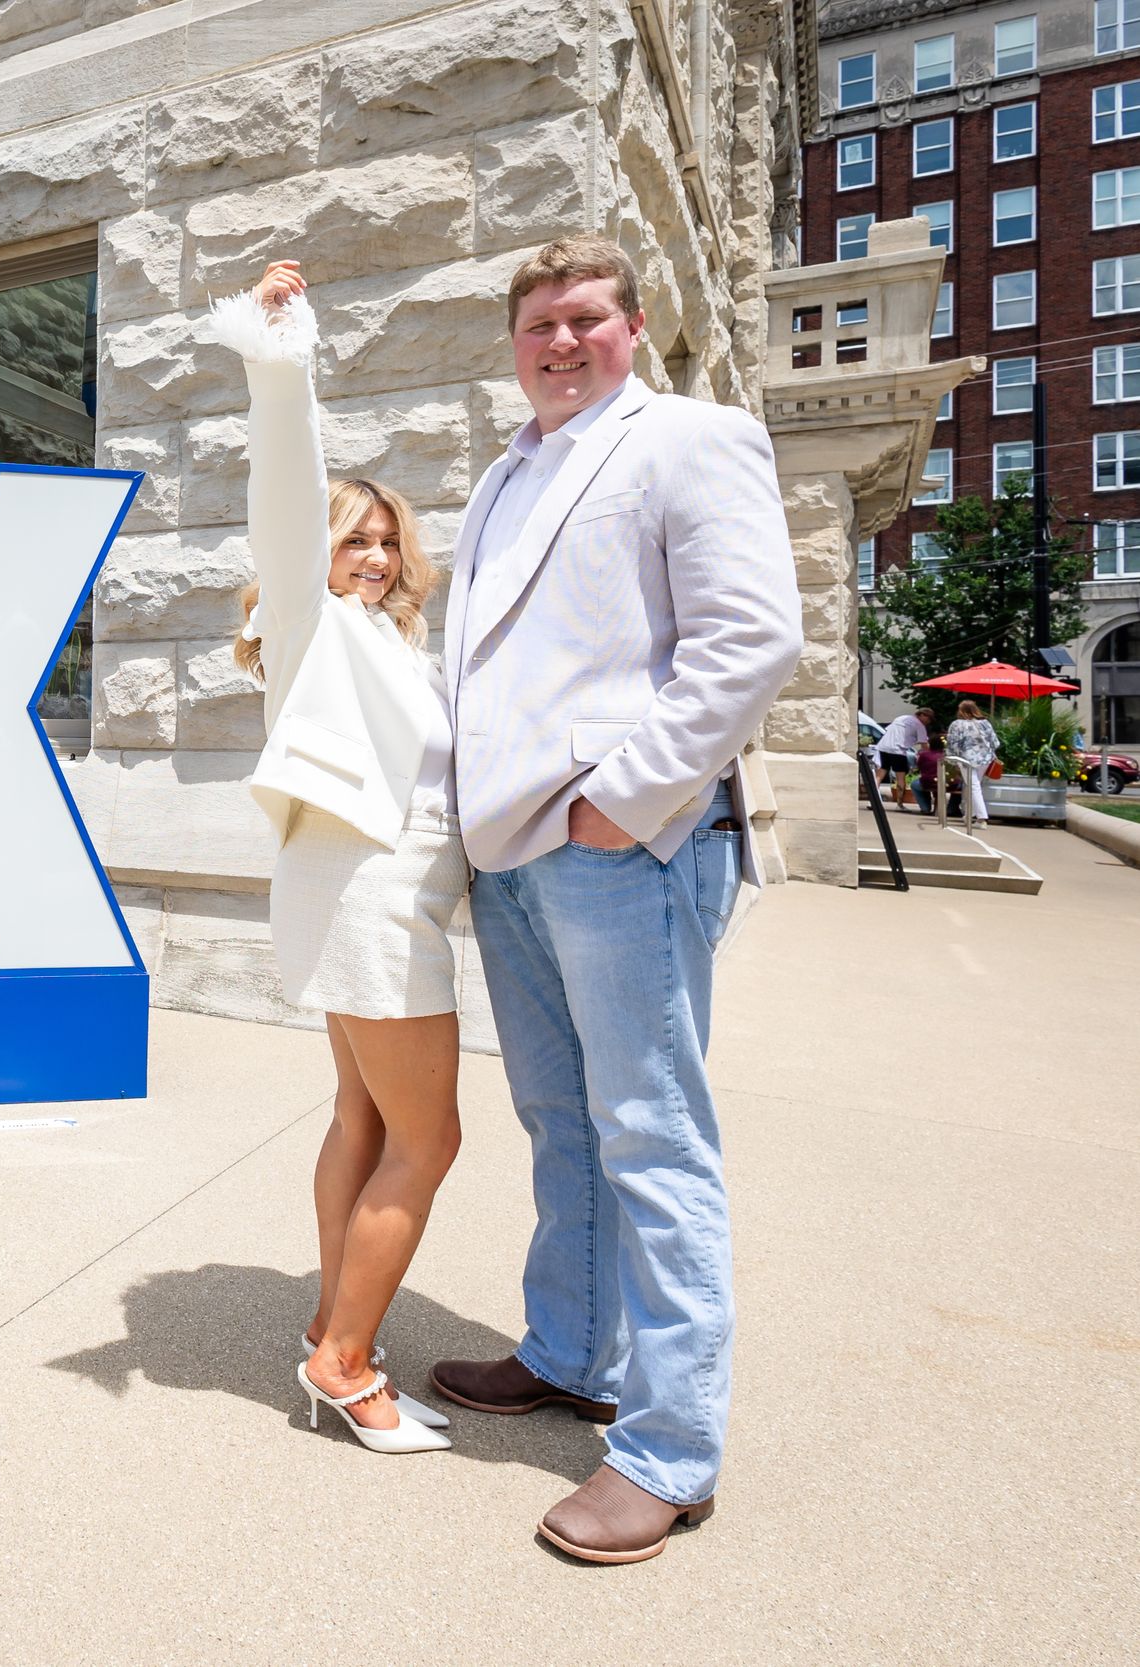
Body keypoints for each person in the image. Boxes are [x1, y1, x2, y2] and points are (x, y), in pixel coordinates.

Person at [427, 237, 801, 1562]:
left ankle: (670, 1447)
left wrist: (622, 802)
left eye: (585, 316)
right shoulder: (506, 472)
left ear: (632, 328)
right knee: (560, 1117)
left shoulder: (690, 441)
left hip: (617, 845)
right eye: (538, 322)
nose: (560, 339)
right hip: (512, 853)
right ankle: (574, 1349)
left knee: (652, 1132)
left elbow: (752, 636)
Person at [202, 259, 466, 1456]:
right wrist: (282, 359)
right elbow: (283, 490)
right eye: (349, 538)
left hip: (355, 891)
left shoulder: (386, 643)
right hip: (372, 898)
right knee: (430, 1138)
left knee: (363, 1121)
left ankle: (329, 1315)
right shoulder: (312, 626)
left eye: (381, 539)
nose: (366, 553)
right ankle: (345, 1360)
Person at [946, 699, 1000, 827]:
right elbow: (995, 742)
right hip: (985, 759)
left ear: (962, 711)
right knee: (974, 786)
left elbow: (953, 743)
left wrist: (951, 758)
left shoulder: (957, 724)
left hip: (966, 759)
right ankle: (970, 815)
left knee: (973, 786)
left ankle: (981, 818)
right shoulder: (985, 723)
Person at [877, 708, 931, 811]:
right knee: (900, 778)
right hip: (898, 751)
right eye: (929, 719)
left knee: (880, 774)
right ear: (923, 715)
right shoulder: (919, 725)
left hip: (883, 747)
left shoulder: (900, 718)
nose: (928, 722)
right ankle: (900, 804)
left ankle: (874, 801)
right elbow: (924, 745)